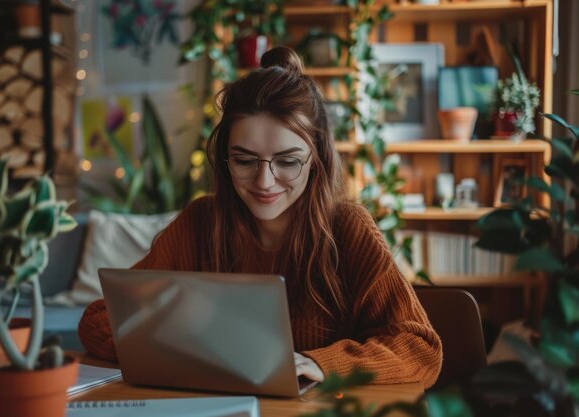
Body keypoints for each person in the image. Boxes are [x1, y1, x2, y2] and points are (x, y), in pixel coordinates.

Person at [79, 46, 442, 388]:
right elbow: (98, 321)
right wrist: (179, 348)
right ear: (224, 159)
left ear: (317, 158)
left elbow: (420, 349)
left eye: (287, 161)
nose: (264, 182)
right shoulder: (200, 223)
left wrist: (320, 364)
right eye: (245, 160)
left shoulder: (347, 229)